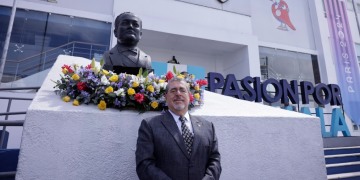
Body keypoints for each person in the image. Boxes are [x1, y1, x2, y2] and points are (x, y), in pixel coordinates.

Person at [135, 77, 221, 180]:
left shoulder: (208, 127)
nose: (178, 94)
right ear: (166, 97)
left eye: (182, 90)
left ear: (189, 96)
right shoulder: (150, 126)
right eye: (173, 90)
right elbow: (144, 165)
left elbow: (215, 160)